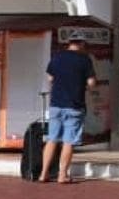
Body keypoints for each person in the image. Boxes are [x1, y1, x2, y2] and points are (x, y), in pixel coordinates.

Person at [39, 35, 98, 184]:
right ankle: (62, 175)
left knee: (52, 139)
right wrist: (85, 86)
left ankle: (43, 173)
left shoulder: (57, 57)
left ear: (69, 43)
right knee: (68, 141)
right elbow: (91, 82)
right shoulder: (84, 59)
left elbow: (50, 78)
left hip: (55, 104)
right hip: (74, 106)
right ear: (82, 43)